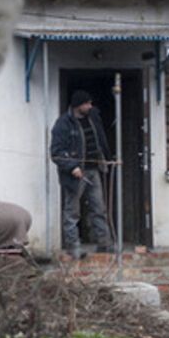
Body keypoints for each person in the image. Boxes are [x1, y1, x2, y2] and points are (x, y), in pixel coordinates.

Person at [50, 90, 114, 257]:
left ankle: (104, 243)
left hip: (93, 170)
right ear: (78, 105)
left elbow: (101, 140)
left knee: (99, 208)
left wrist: (106, 159)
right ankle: (73, 246)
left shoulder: (93, 118)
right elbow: (56, 152)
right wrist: (72, 167)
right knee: (72, 212)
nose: (90, 106)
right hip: (75, 174)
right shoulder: (63, 123)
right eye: (87, 103)